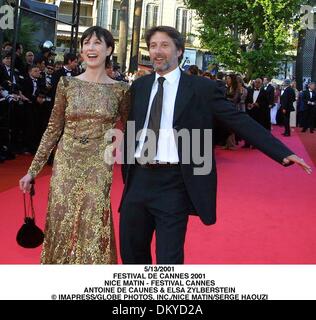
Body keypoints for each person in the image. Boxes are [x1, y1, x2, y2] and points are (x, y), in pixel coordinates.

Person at [119, 26, 312, 265]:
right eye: (153, 46)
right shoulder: (140, 86)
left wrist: (282, 152)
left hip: (174, 183)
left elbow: (239, 121)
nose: (157, 52)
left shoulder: (202, 89)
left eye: (165, 45)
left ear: (179, 51)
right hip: (137, 180)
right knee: (131, 255)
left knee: (168, 260)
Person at [19, 26, 130, 264]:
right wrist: (32, 171)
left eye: (97, 43)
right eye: (86, 43)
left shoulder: (120, 90)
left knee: (93, 219)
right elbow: (53, 128)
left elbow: (132, 127)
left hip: (99, 164)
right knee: (61, 218)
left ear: (109, 49)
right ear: (81, 50)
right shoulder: (67, 84)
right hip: (66, 160)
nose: (91, 48)